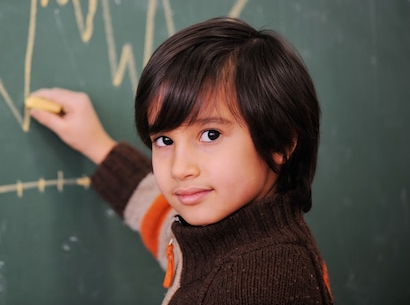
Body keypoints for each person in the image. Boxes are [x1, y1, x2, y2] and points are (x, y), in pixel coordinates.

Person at [29, 17, 334, 304]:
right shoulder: (229, 240)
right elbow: (162, 221)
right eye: (164, 141)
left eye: (211, 135)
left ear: (279, 142)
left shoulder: (259, 282)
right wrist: (97, 146)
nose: (179, 168)